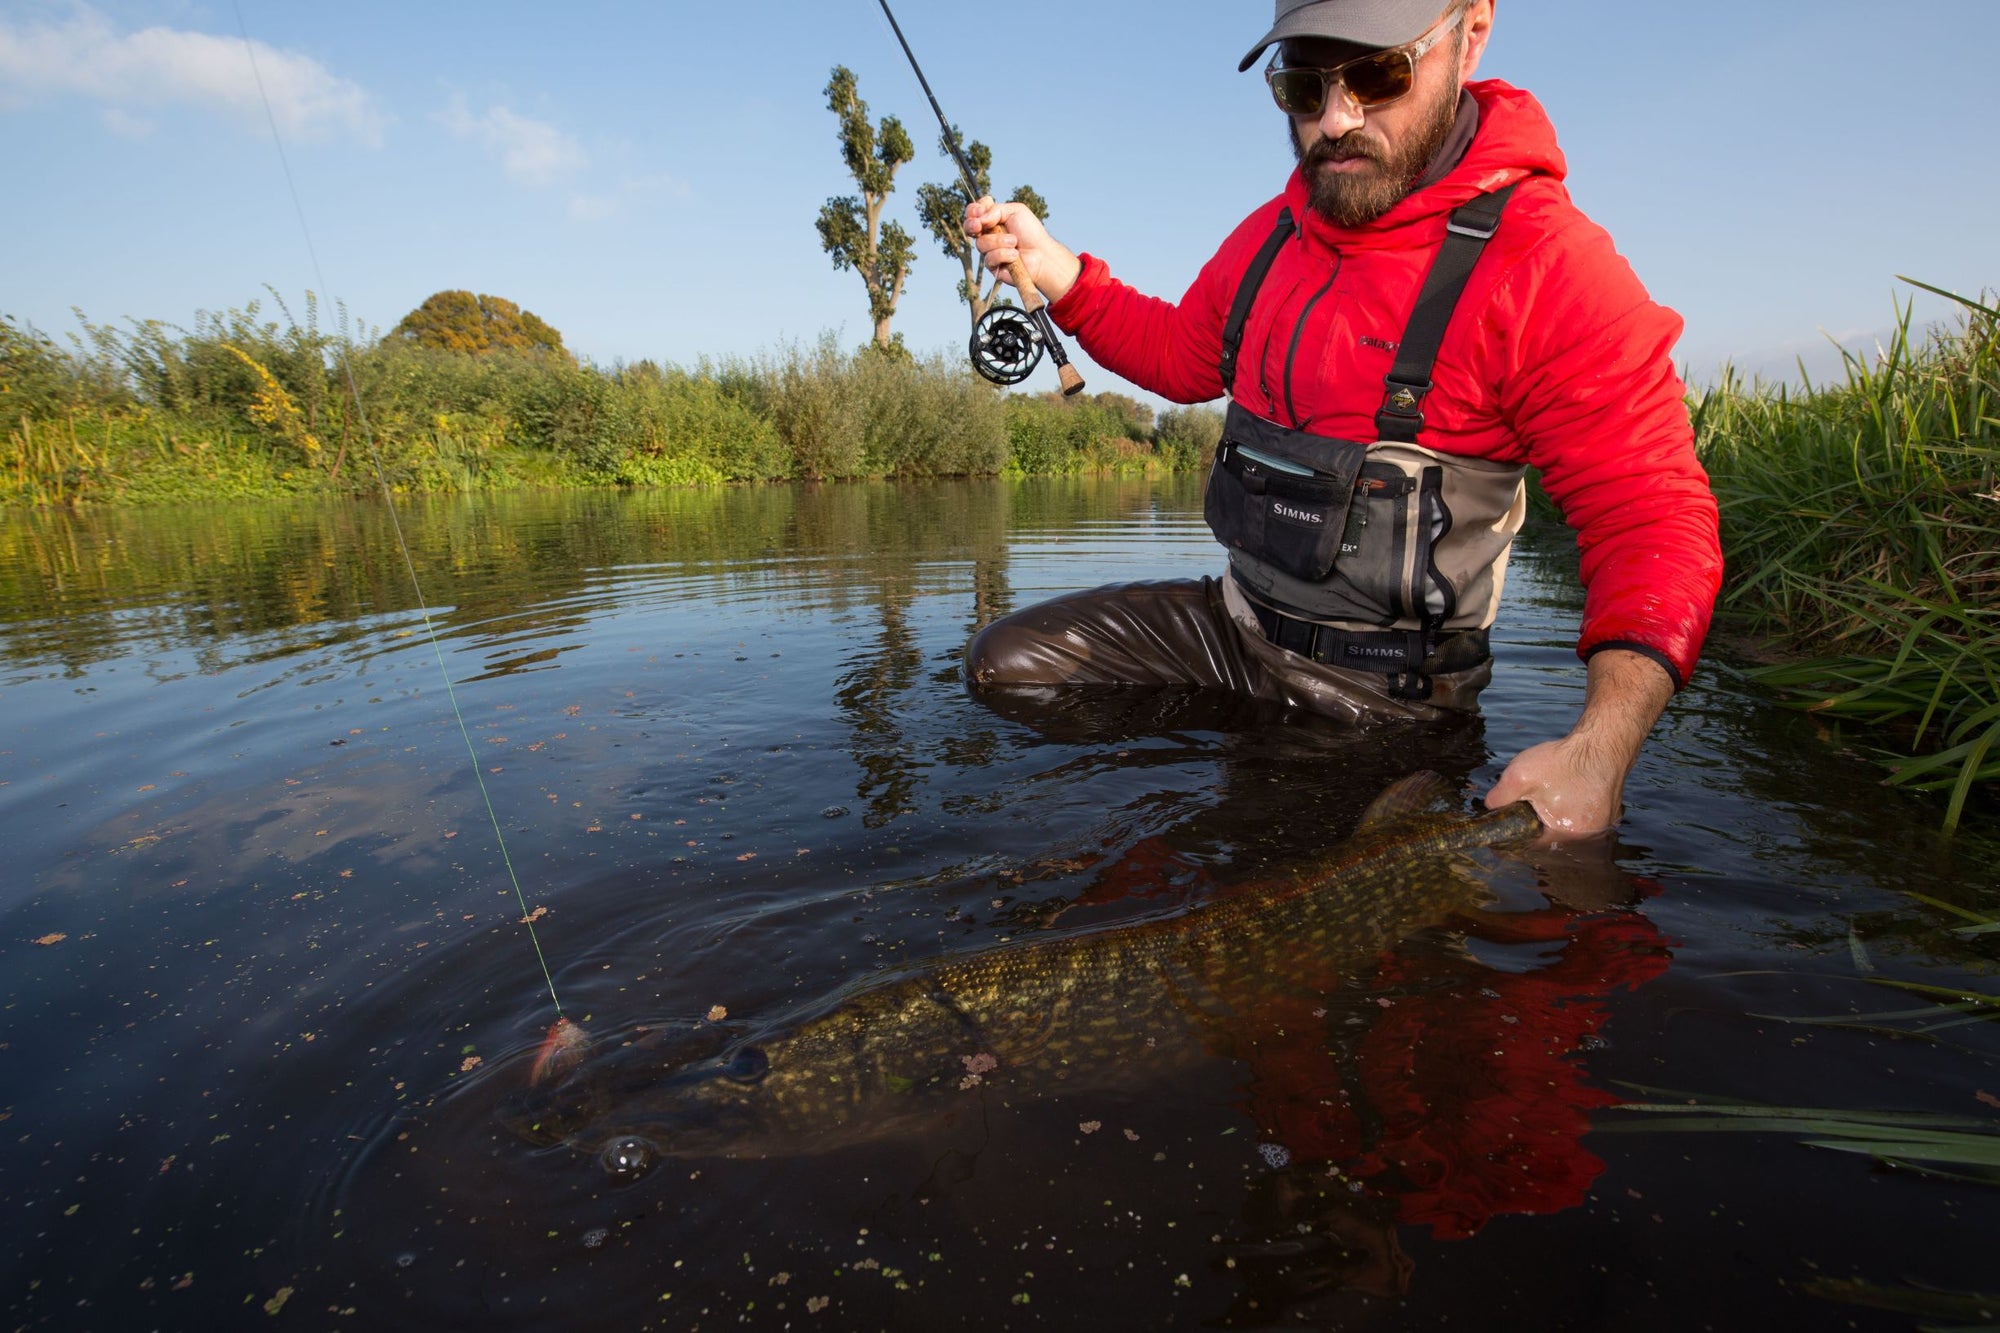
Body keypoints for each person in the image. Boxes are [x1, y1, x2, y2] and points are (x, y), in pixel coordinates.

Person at [961, 0, 1722, 840]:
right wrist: (1058, 272)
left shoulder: (1548, 267)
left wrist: (1598, 749)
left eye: (1377, 73)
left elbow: (1654, 518)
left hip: (1388, 705)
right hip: (1234, 631)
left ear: (1470, 32)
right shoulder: (1268, 238)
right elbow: (1178, 354)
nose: (1335, 119)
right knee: (1008, 667)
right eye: (1303, 84)